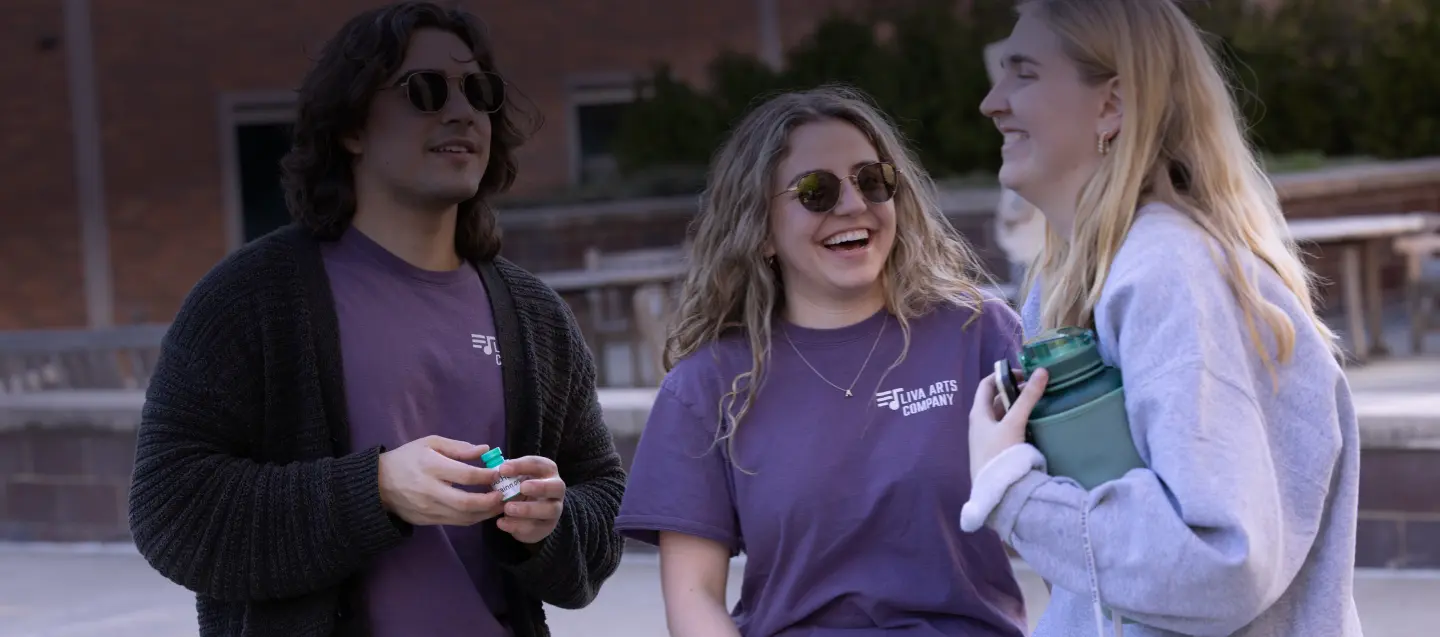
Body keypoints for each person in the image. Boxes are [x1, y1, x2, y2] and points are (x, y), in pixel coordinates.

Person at [127, 3, 626, 636]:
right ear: (351, 126)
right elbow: (171, 513)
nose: (462, 111)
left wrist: (551, 524)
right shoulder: (251, 298)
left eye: (480, 92)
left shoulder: (535, 317)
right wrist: (377, 490)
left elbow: (603, 505)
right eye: (424, 90)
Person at [962, 1, 1362, 636]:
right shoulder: (1077, 276)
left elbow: (1221, 562)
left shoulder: (1169, 274)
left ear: (1112, 105)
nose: (992, 102)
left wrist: (1011, 491)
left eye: (1025, 73)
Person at [615, 85, 1032, 636]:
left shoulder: (978, 334)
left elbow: (1067, 534)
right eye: (816, 191)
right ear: (760, 229)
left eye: (872, 180)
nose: (854, 205)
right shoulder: (707, 385)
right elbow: (694, 600)